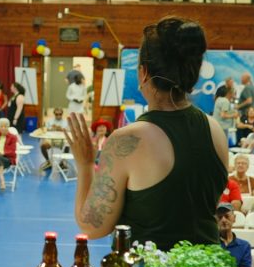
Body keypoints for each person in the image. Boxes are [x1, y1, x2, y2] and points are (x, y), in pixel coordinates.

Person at [65, 17, 228, 251]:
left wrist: (85, 164)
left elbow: (92, 227)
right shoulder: (215, 130)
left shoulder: (127, 141)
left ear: (143, 73)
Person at [216, 203, 251, 267]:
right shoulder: (210, 244)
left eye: (227, 216)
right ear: (215, 220)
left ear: (234, 218)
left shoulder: (244, 245)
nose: (224, 220)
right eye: (220, 217)